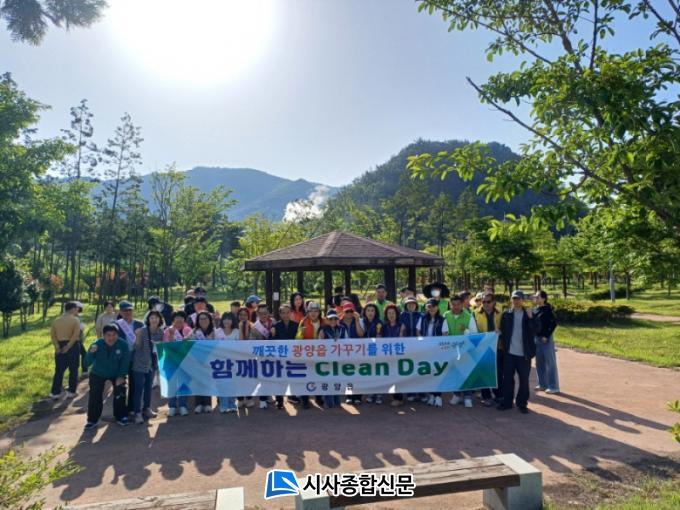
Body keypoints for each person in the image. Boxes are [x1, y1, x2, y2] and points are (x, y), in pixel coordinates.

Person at [83, 324, 130, 429]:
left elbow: (125, 362)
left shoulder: (123, 344)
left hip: (116, 373)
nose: (111, 338)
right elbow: (86, 363)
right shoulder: (96, 344)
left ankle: (121, 416)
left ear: (118, 335)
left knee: (120, 391)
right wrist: (91, 353)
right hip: (98, 373)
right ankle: (92, 420)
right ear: (103, 336)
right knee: (95, 395)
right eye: (108, 335)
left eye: (114, 335)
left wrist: (121, 376)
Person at [498, 290, 536, 414]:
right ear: (511, 300)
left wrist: (531, 318)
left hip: (524, 354)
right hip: (509, 353)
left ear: (523, 300)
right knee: (507, 379)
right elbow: (502, 331)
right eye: (514, 298)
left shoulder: (528, 314)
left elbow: (536, 329)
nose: (516, 301)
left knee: (524, 380)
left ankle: (522, 403)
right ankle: (507, 402)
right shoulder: (506, 314)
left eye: (518, 298)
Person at [445, 294, 479, 408]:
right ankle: (456, 395)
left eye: (458, 304)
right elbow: (443, 332)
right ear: (450, 305)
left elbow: (474, 334)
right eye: (453, 304)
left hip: (465, 350)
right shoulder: (446, 315)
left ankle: (467, 397)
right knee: (454, 373)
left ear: (462, 304)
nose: (455, 307)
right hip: (451, 350)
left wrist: (465, 330)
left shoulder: (468, 316)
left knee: (465, 373)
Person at [131, 310, 164, 424]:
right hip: (140, 364)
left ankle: (147, 408)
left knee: (148, 388)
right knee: (138, 388)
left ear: (160, 320)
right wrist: (138, 336)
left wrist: (159, 345)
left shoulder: (161, 332)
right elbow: (136, 347)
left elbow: (163, 348)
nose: (154, 320)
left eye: (156, 317)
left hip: (152, 364)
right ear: (148, 319)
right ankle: (137, 412)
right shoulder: (143, 331)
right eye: (152, 317)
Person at [417, 298, 449, 407]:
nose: (431, 308)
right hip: (426, 350)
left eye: (434, 306)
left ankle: (438, 396)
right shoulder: (422, 318)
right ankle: (431, 395)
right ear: (426, 308)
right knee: (429, 373)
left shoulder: (442, 319)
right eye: (429, 306)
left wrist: (438, 346)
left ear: (437, 307)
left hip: (438, 350)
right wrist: (422, 342)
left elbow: (445, 334)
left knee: (437, 372)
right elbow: (418, 331)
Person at [473, 292, 504, 405]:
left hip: (498, 347)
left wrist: (501, 331)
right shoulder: (475, 313)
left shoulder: (501, 313)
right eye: (483, 301)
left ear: (494, 302)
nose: (485, 304)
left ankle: (499, 395)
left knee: (498, 373)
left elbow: (505, 328)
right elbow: (472, 330)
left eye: (488, 301)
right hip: (482, 348)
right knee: (483, 372)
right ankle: (486, 397)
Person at [190, 311, 222, 413]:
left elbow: (219, 345)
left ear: (210, 320)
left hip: (211, 361)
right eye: (201, 319)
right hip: (197, 360)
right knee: (198, 381)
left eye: (205, 318)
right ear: (197, 321)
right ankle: (198, 404)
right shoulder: (194, 332)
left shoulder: (215, 331)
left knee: (208, 381)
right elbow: (189, 344)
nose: (203, 321)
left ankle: (208, 404)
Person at [116, 300, 144, 414]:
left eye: (130, 310)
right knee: (120, 383)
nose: (128, 313)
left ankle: (132, 408)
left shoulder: (140, 324)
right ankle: (121, 409)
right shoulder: (116, 324)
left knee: (134, 383)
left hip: (136, 357)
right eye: (125, 311)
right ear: (120, 312)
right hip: (121, 358)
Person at [50, 301, 82, 400]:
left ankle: (55, 392)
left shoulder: (56, 320)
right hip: (72, 346)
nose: (77, 310)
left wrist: (57, 346)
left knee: (59, 370)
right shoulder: (75, 320)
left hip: (59, 345)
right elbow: (75, 335)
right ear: (72, 309)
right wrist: (68, 346)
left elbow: (53, 335)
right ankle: (71, 391)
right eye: (76, 309)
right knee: (73, 369)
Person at [163, 311, 192, 416]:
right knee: (171, 383)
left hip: (185, 361)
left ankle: (183, 405)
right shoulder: (168, 330)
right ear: (173, 320)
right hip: (170, 360)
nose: (179, 319)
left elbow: (191, 345)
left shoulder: (188, 330)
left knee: (184, 383)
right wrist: (171, 335)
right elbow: (166, 346)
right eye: (177, 317)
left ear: (184, 320)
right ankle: (172, 406)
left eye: (181, 317)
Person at [296, 302, 324, 409]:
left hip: (320, 354)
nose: (313, 313)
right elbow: (297, 339)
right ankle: (305, 399)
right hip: (306, 355)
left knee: (319, 376)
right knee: (305, 377)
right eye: (311, 311)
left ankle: (318, 397)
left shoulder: (323, 322)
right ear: (307, 312)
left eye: (316, 311)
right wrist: (301, 333)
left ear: (319, 312)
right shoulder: (303, 321)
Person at [271, 304, 299, 409]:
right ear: (280, 314)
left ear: (291, 313)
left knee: (293, 377)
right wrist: (272, 334)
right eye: (283, 313)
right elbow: (271, 342)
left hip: (292, 356)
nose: (285, 315)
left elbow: (299, 340)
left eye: (287, 312)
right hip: (280, 357)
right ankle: (279, 400)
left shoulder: (296, 325)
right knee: (280, 379)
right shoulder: (275, 326)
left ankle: (292, 395)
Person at [532, 290, 559, 394]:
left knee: (550, 363)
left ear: (543, 298)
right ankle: (542, 384)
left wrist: (546, 335)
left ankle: (554, 386)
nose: (535, 298)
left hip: (546, 340)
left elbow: (554, 323)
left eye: (537, 297)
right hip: (536, 339)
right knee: (539, 362)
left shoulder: (548, 310)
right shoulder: (535, 310)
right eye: (535, 297)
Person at [319, 309, 346, 408]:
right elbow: (319, 344)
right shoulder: (323, 329)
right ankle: (328, 401)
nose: (333, 321)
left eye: (335, 318)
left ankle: (337, 401)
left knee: (337, 380)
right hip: (327, 359)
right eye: (330, 319)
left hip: (339, 359)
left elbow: (348, 342)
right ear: (326, 319)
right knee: (327, 379)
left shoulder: (342, 328)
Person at [399, 296, 424, 403]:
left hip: (419, 346)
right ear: (405, 305)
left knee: (419, 369)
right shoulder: (401, 315)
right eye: (409, 304)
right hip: (406, 346)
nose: (411, 305)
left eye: (413, 304)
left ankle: (422, 392)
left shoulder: (421, 315)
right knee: (409, 369)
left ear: (416, 305)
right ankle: (410, 392)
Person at [217, 312, 239, 414]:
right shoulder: (217, 332)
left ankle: (232, 404)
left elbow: (240, 346)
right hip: (220, 363)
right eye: (225, 319)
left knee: (233, 384)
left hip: (233, 362)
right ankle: (223, 405)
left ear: (232, 321)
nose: (227, 321)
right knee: (222, 384)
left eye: (229, 319)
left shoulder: (236, 332)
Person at [361, 303, 383, 404]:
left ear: (376, 312)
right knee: (369, 373)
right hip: (364, 351)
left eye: (372, 310)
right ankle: (370, 393)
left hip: (376, 351)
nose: (370, 313)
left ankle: (379, 394)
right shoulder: (362, 321)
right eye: (368, 310)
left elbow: (381, 335)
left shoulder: (379, 323)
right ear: (365, 312)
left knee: (377, 372)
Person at [236, 307, 256, 409]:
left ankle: (249, 398)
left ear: (248, 316)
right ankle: (240, 399)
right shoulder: (235, 326)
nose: (242, 317)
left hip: (249, 355)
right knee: (238, 377)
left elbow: (252, 340)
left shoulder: (252, 326)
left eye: (245, 315)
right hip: (237, 356)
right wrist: (240, 328)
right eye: (240, 315)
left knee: (249, 378)